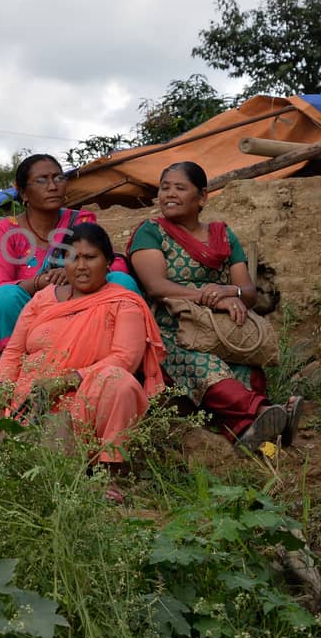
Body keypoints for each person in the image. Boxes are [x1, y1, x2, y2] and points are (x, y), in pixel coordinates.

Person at [129, 161, 301, 451]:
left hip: (221, 329)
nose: (169, 194)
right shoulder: (151, 232)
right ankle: (266, 415)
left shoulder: (223, 235)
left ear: (203, 197)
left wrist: (228, 290)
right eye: (164, 187)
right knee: (209, 374)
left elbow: (247, 292)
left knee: (249, 373)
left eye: (180, 188)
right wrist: (212, 298)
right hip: (173, 330)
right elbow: (156, 286)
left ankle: (249, 433)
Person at [0, 223, 166, 473]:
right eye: (73, 258)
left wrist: (68, 380)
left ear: (107, 262)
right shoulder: (43, 299)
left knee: (119, 381)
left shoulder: (123, 303)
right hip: (30, 399)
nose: (81, 266)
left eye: (90, 257)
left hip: (85, 399)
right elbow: (14, 352)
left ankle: (110, 472)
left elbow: (124, 358)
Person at [0, 154, 136, 370]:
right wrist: (41, 283)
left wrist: (76, 276)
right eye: (42, 180)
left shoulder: (80, 221)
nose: (52, 186)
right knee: (5, 297)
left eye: (58, 178)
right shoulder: (8, 229)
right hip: (31, 321)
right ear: (24, 193)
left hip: (79, 312)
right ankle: (16, 374)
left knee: (121, 282)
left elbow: (112, 261)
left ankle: (115, 366)